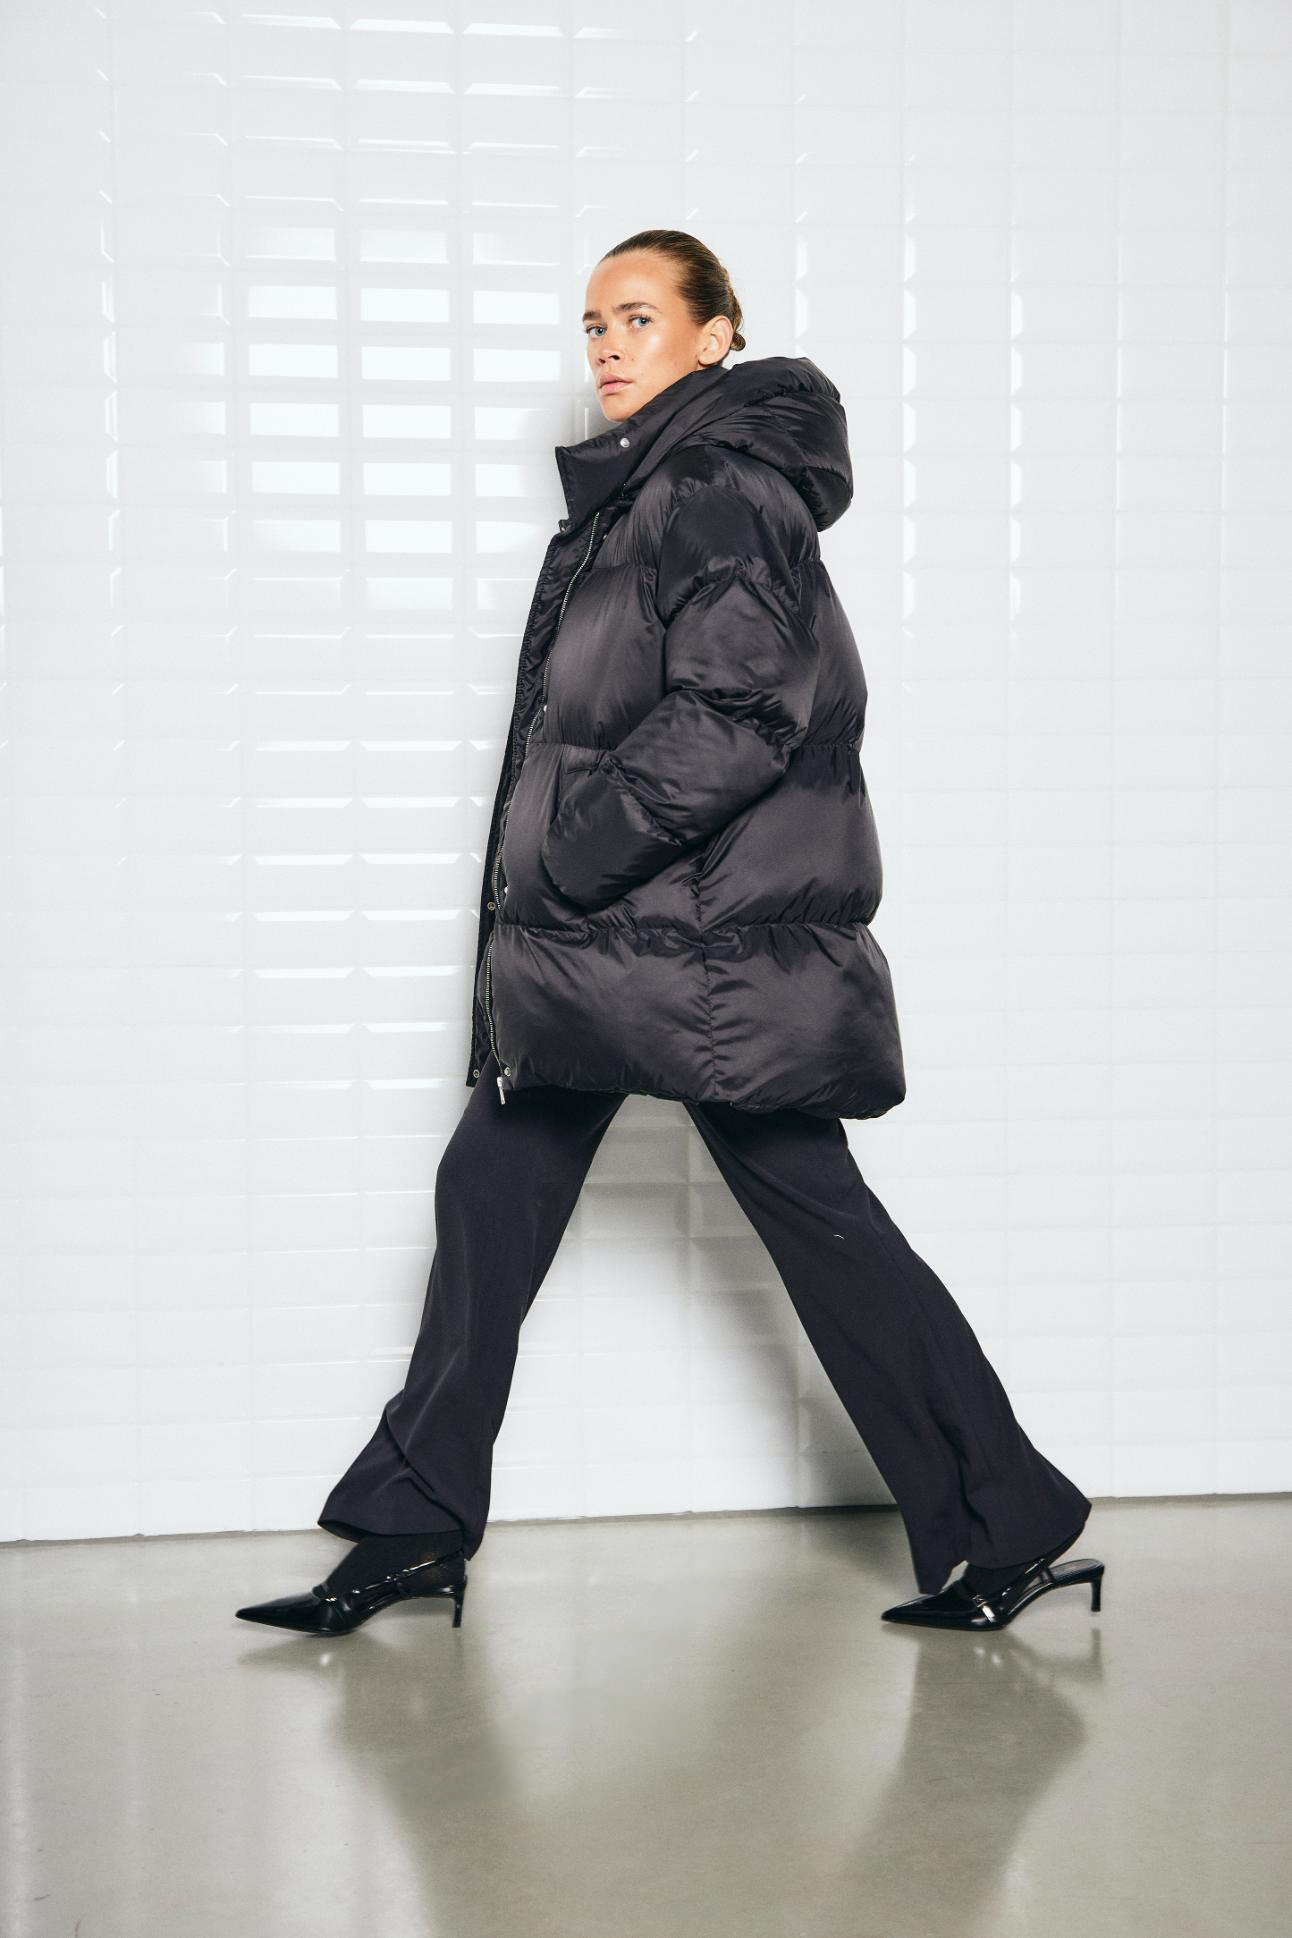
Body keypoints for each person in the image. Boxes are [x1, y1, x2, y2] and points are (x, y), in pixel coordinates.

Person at [237, 230, 1103, 1638]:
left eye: (638, 318)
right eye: (593, 326)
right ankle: (413, 1528)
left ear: (716, 335)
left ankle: (1009, 1521)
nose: (608, 348)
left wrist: (574, 851)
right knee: (489, 1196)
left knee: (823, 1230)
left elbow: (743, 709)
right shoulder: (649, 491)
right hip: (626, 952)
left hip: (696, 957)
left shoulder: (713, 486)